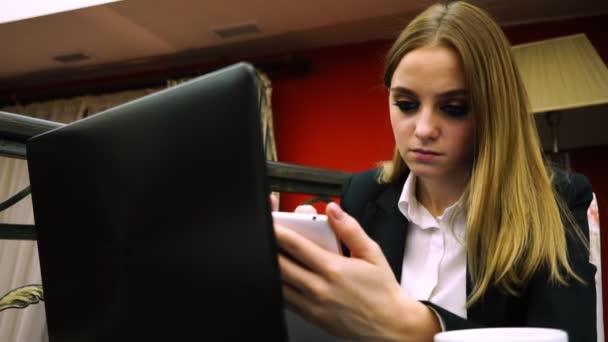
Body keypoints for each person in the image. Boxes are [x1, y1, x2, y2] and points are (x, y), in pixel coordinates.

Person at [272, 1, 597, 341]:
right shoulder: (363, 193)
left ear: (494, 112)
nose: (424, 128)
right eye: (406, 104)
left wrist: (420, 328)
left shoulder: (557, 199)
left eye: (454, 108)